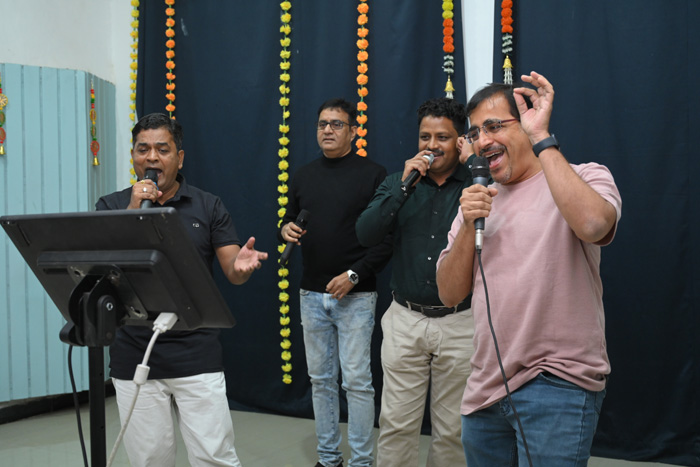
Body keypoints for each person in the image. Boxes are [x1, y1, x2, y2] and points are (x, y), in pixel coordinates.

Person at [436, 72, 622, 466]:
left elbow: (594, 225)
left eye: (494, 126)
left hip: (557, 386)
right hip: (484, 392)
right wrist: (468, 225)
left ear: (525, 123)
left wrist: (541, 137)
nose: (482, 141)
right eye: (475, 132)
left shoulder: (584, 175)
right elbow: (449, 294)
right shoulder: (477, 201)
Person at [96, 113, 268, 466]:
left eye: (162, 149)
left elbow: (233, 271)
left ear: (180, 157)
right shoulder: (111, 206)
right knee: (149, 460)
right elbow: (103, 270)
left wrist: (241, 267)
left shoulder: (208, 205)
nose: (152, 158)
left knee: (214, 456)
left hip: (195, 352)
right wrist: (132, 210)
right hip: (134, 352)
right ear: (133, 155)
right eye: (143, 149)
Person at [355, 97, 474, 467]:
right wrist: (404, 187)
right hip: (405, 319)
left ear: (460, 141)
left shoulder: (476, 185)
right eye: (425, 137)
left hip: (461, 321)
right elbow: (366, 234)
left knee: (453, 431)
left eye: (442, 137)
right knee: (396, 425)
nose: (431, 145)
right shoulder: (398, 183)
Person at [279, 98, 392, 467]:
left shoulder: (374, 175)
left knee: (357, 383)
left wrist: (354, 276)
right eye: (322, 124)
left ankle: (361, 462)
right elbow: (288, 219)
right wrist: (285, 228)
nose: (327, 130)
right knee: (321, 381)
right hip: (311, 295)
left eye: (337, 124)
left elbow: (386, 240)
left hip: (356, 296)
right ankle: (329, 459)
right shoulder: (303, 175)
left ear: (353, 131)